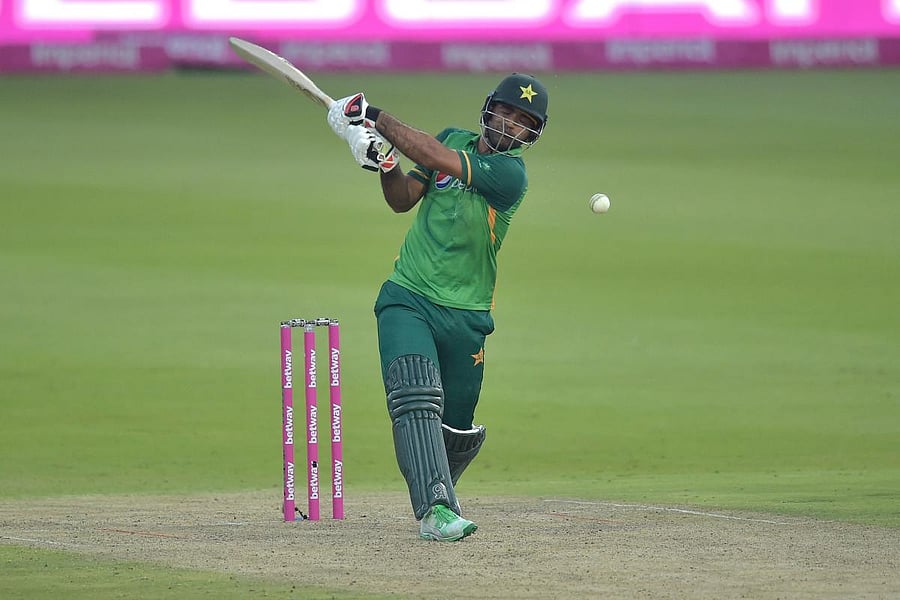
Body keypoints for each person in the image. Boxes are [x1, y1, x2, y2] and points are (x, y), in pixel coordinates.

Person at [326, 73, 549, 541]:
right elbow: (403, 200)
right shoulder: (453, 137)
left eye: (523, 122)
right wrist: (384, 163)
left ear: (532, 135)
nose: (510, 126)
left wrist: (373, 116)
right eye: (506, 113)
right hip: (408, 296)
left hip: (467, 317)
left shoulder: (510, 175)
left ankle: (439, 489)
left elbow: (431, 154)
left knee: (458, 430)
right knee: (415, 396)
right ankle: (435, 510)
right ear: (488, 109)